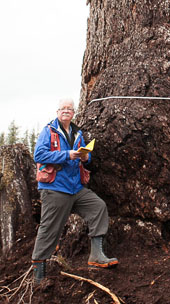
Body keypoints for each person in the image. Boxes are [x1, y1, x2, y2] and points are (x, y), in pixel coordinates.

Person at [31, 98, 118, 284]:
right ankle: (38, 274)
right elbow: (38, 155)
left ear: (74, 112)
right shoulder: (49, 131)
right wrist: (67, 155)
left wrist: (86, 157)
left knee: (98, 207)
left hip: (76, 188)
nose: (66, 111)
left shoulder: (77, 133)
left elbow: (85, 157)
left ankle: (96, 255)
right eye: (63, 108)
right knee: (49, 228)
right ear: (57, 111)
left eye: (70, 109)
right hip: (55, 188)